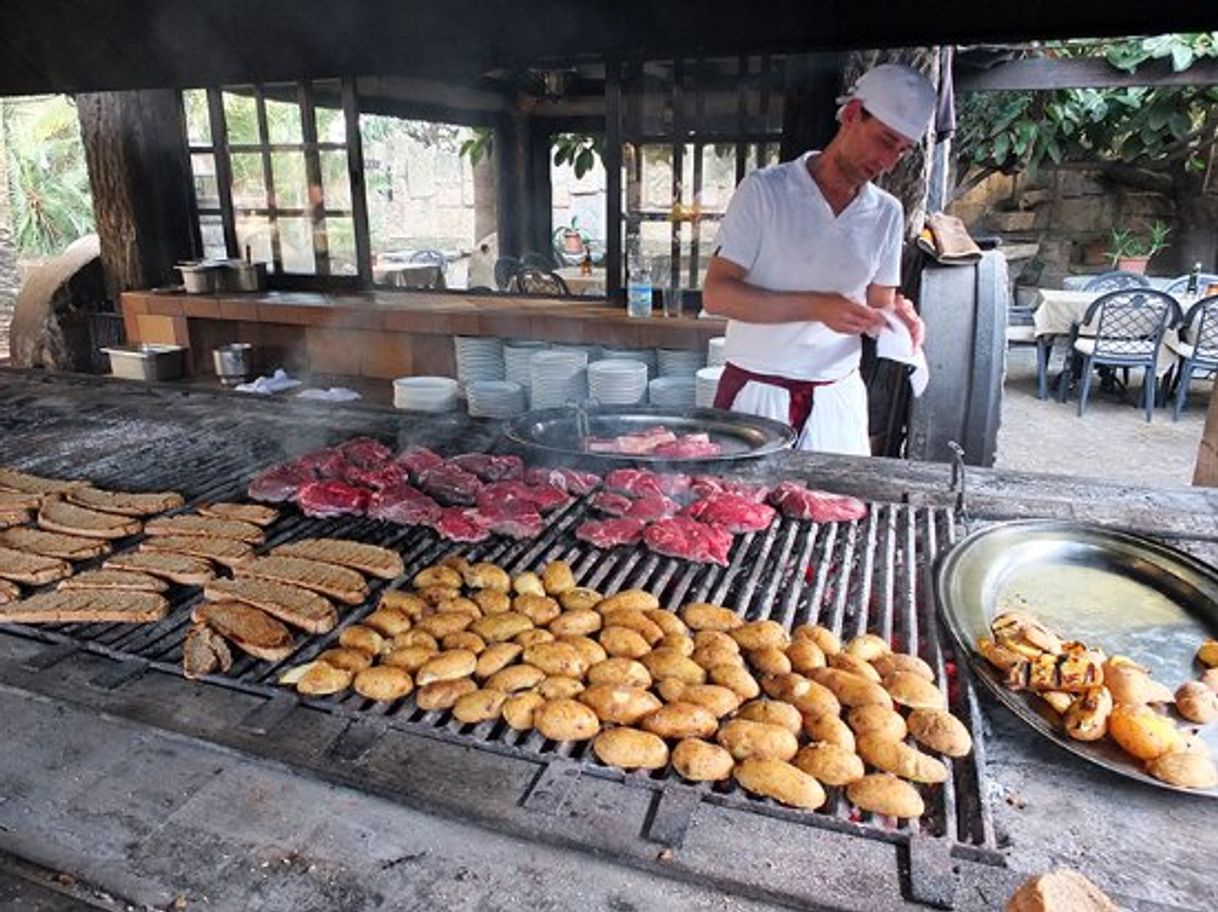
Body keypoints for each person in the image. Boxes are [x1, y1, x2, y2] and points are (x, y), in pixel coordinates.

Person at [702, 63, 935, 454]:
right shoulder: (765, 191)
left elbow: (879, 302)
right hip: (757, 391)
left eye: (901, 150)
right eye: (884, 140)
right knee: (740, 510)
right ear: (851, 114)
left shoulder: (886, 213)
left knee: (837, 510)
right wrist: (816, 306)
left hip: (836, 397)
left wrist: (899, 316)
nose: (888, 161)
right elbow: (717, 295)